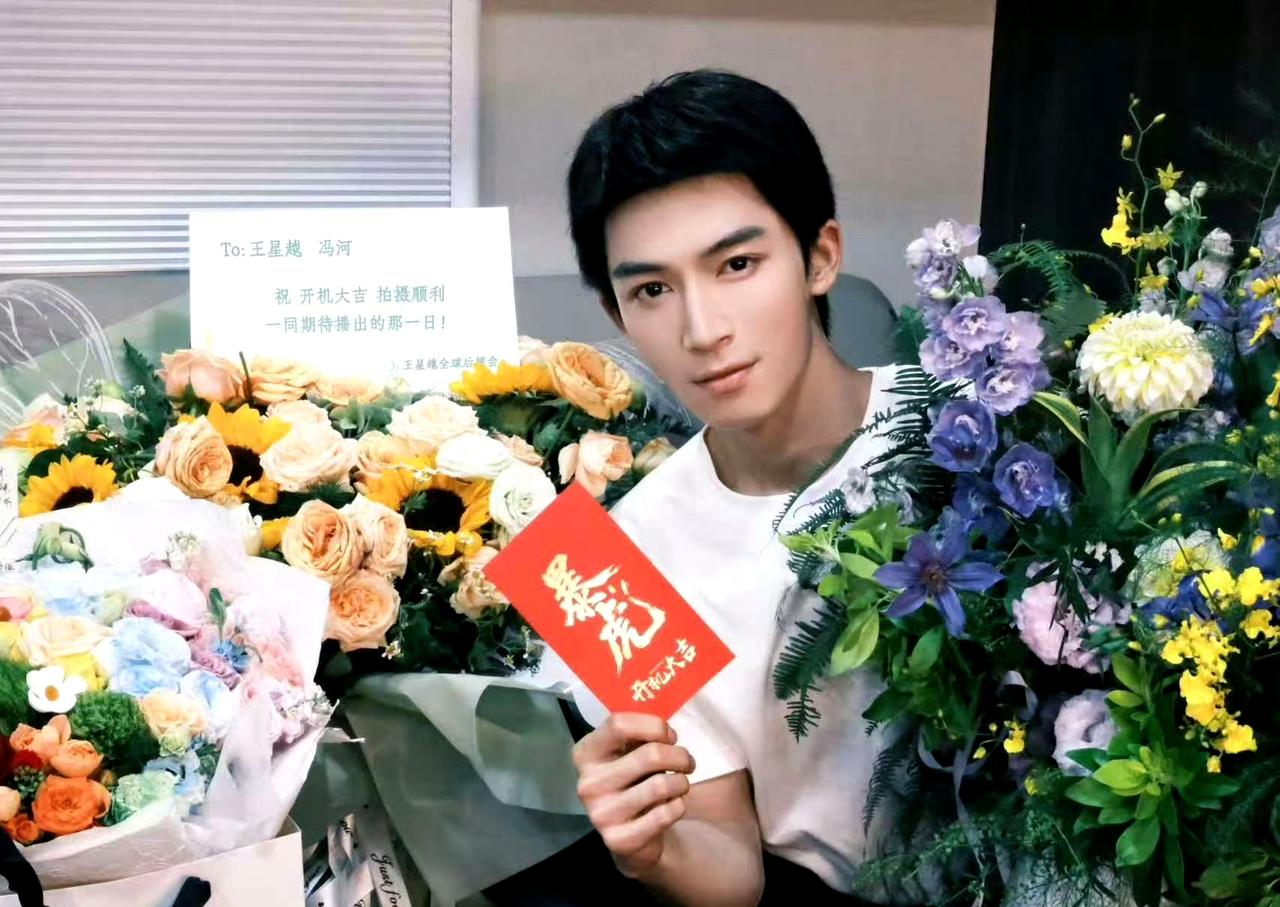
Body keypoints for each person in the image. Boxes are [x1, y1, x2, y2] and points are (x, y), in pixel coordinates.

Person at [494, 70, 913, 907]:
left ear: (821, 255)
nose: (702, 329)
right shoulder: (611, 567)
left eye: (737, 264)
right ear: (617, 315)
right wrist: (651, 846)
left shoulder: (983, 432)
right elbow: (733, 866)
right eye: (652, 289)